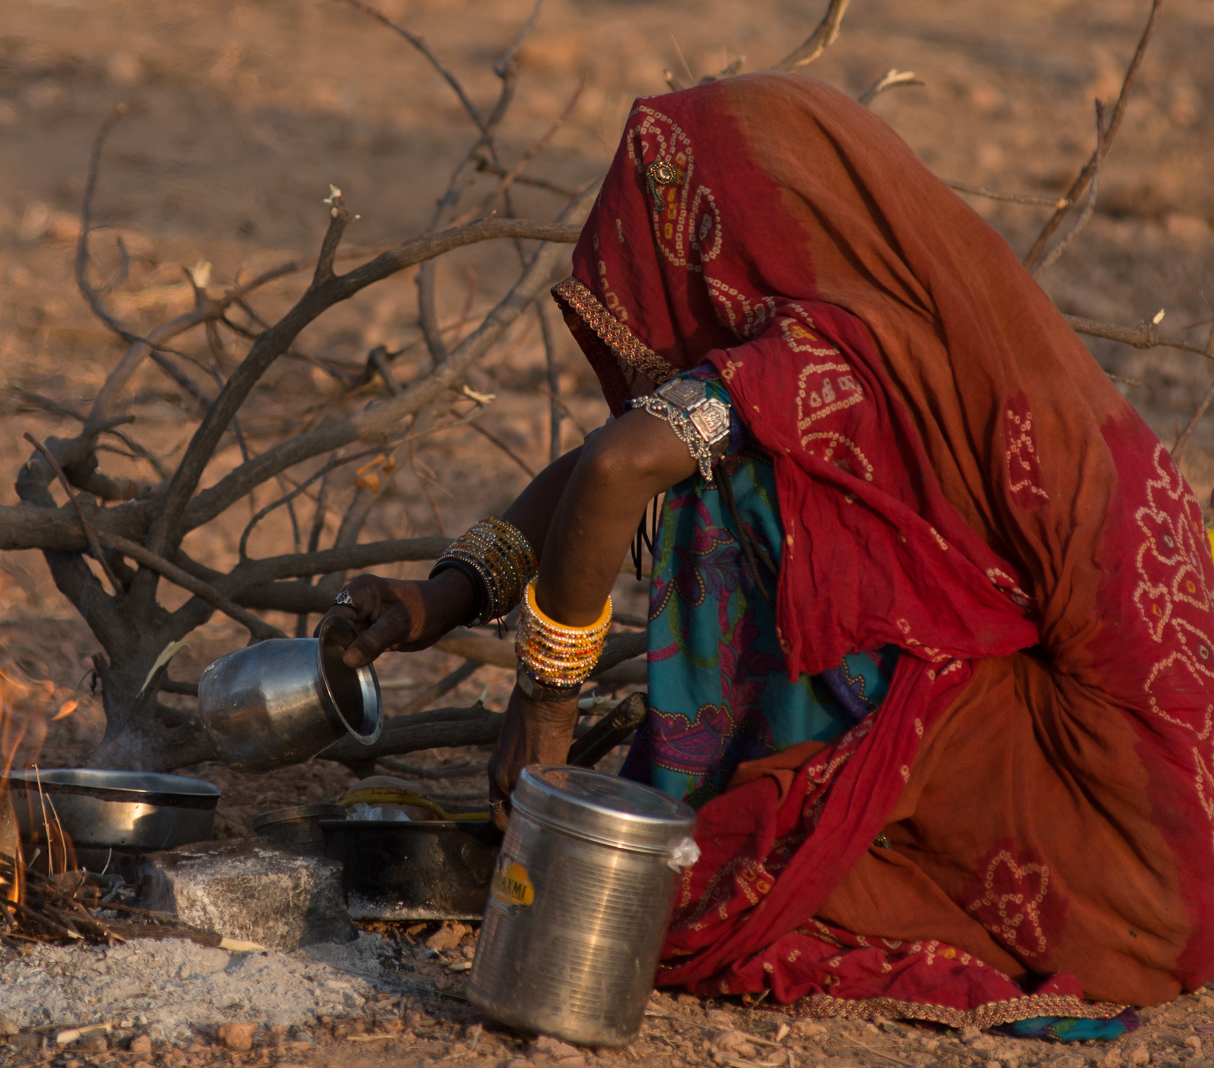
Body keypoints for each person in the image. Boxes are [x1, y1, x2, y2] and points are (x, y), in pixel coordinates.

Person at [319, 73, 1214, 1031]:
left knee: (692, 899)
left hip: (1076, 812)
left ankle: (798, 805)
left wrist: (545, 709)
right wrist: (447, 595)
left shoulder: (832, 350)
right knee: (710, 465)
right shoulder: (842, 340)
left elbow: (621, 465)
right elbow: (604, 457)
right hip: (1049, 757)